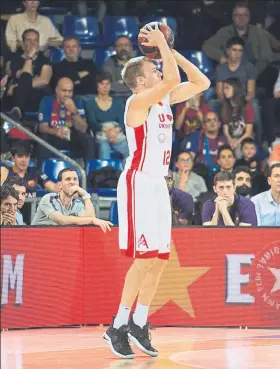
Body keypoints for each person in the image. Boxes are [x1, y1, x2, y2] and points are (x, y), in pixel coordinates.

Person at [105, 24, 210, 359]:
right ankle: (117, 325)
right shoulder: (138, 101)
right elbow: (170, 80)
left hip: (158, 184)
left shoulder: (163, 96)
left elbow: (201, 83)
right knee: (143, 259)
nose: (160, 66)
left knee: (160, 259)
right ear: (140, 81)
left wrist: (172, 50)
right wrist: (163, 45)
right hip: (138, 182)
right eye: (154, 67)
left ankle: (139, 320)